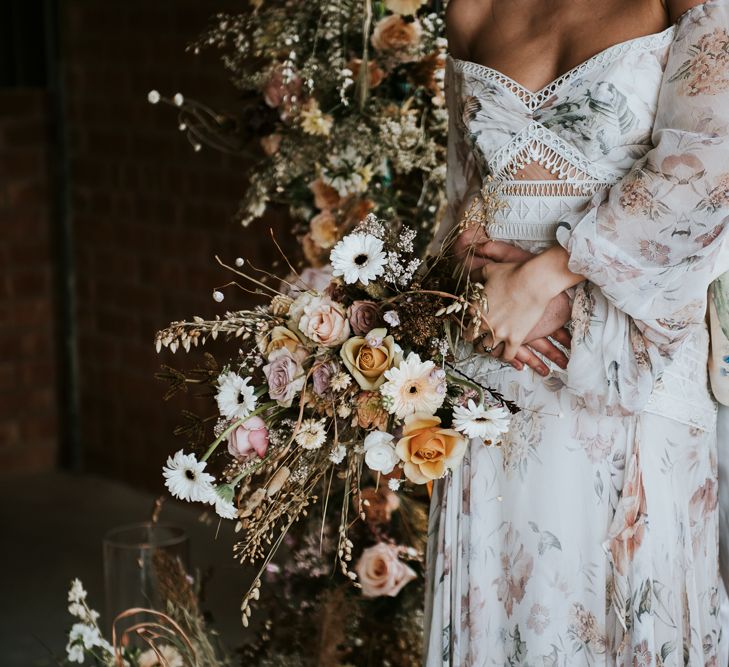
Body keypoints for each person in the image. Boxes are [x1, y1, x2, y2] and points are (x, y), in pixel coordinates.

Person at [425, 0, 729, 663]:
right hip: (497, 361)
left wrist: (550, 279)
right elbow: (462, 195)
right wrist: (465, 286)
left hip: (631, 352)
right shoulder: (471, 7)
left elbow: (710, 164)